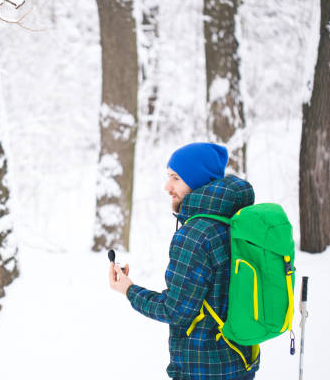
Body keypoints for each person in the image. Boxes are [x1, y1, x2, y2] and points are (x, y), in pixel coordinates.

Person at [109, 142, 259, 380]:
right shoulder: (237, 220)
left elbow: (175, 310)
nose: (167, 186)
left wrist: (129, 290)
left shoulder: (196, 234)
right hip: (240, 362)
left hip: (203, 369)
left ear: (199, 181)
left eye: (176, 178)